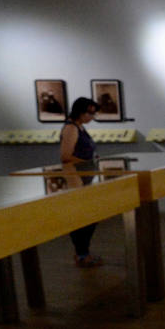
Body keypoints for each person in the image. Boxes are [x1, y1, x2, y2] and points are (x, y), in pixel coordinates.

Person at [59, 97, 101, 267]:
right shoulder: (71, 128)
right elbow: (66, 156)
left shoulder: (79, 127)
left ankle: (83, 253)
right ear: (80, 111)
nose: (92, 116)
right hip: (76, 179)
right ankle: (82, 254)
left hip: (84, 176)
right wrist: (86, 162)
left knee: (90, 216)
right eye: (89, 113)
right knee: (83, 218)